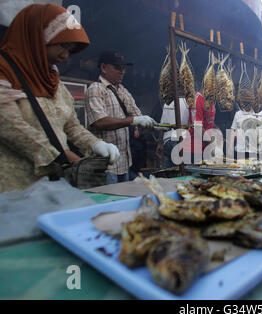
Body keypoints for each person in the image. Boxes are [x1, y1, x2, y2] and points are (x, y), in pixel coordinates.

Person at [0, 4, 119, 192]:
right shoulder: (4, 73)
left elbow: (71, 125)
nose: (65, 56)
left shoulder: (55, 82)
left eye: (70, 50)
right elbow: (9, 126)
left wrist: (95, 144)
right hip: (14, 190)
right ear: (37, 37)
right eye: (63, 46)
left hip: (52, 188)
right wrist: (64, 157)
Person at [86, 51, 156, 185]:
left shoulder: (122, 90)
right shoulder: (96, 89)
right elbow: (99, 122)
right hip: (106, 165)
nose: (122, 71)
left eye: (123, 68)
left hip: (124, 163)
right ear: (103, 68)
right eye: (117, 67)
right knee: (110, 204)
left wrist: (150, 123)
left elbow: (136, 113)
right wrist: (133, 121)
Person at [155, 98, 190, 168]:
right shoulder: (188, 103)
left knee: (168, 173)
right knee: (180, 173)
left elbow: (163, 125)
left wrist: (160, 144)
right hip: (180, 141)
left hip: (167, 141)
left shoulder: (168, 103)